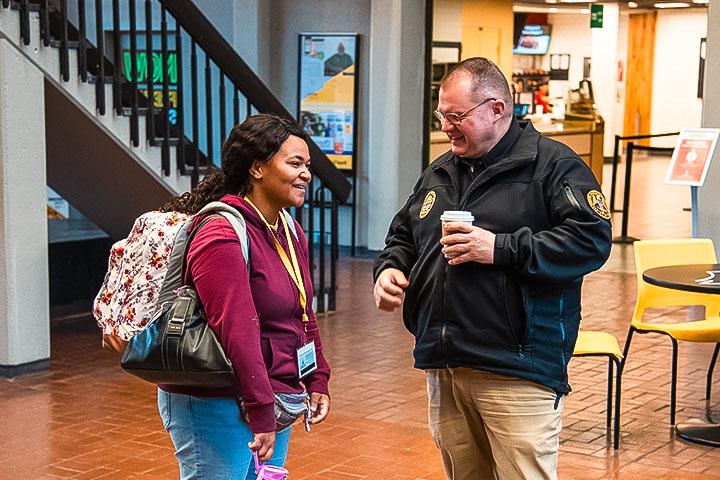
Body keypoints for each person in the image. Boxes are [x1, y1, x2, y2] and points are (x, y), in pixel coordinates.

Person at [373, 57, 611, 480]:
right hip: (446, 362)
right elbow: (404, 235)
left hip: (517, 367)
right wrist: (390, 269)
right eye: (441, 115)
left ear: (497, 109)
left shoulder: (555, 166)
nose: (446, 126)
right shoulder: (440, 171)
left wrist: (500, 248)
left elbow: (591, 240)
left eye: (456, 116)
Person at [156, 113, 331, 479]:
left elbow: (302, 312)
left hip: (273, 393)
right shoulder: (220, 233)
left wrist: (316, 378)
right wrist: (261, 408)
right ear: (257, 168)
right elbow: (238, 329)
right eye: (295, 163)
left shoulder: (289, 229)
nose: (306, 175)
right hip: (216, 400)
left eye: (307, 165)